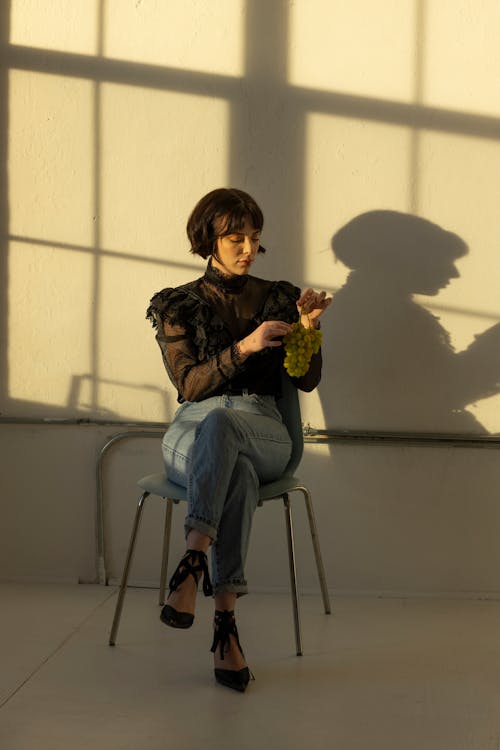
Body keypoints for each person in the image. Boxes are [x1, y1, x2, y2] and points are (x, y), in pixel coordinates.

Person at [146, 187, 331, 692]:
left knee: (229, 431)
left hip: (262, 426)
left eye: (254, 237)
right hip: (192, 430)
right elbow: (188, 386)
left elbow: (307, 380)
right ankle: (225, 624)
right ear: (209, 239)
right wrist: (246, 346)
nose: (248, 247)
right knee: (235, 468)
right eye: (235, 237)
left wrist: (309, 329)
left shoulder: (279, 296)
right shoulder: (175, 304)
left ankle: (191, 564)